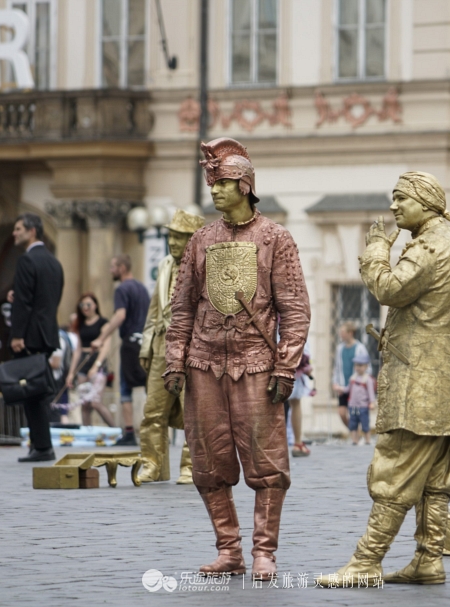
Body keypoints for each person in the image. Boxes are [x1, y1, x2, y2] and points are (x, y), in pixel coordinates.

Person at [320, 171, 450, 587]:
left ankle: (364, 561)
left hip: (419, 379)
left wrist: (374, 250)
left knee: (396, 470)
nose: (393, 207)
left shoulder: (428, 247)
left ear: (426, 204)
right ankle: (428, 560)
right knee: (436, 479)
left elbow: (388, 289)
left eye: (401, 199)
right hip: (448, 378)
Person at [164, 137, 311, 580]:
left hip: (257, 364)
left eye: (224, 183)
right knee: (208, 463)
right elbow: (183, 305)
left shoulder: (276, 238)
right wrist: (175, 357)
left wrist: (286, 365)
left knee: (267, 466)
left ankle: (264, 552)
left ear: (246, 185)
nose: (216, 191)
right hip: (204, 363)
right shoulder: (201, 240)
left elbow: (295, 309)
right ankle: (229, 549)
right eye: (213, 183)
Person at [137, 209, 204, 483]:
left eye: (179, 238)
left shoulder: (204, 268)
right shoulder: (165, 265)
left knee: (192, 411)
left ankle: (191, 466)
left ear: (192, 240)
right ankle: (151, 463)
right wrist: (145, 346)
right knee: (153, 410)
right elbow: (154, 310)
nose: (173, 243)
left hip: (191, 349)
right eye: (171, 237)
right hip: (161, 346)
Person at [9, 213, 64, 462]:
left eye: (18, 228)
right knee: (38, 391)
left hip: (29, 337)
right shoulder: (54, 263)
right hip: (47, 335)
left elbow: (25, 302)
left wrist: (17, 335)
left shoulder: (26, 260)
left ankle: (41, 446)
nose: (14, 233)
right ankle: (40, 444)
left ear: (32, 231)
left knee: (32, 393)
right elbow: (45, 300)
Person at [92, 254, 150, 446]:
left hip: (130, 344)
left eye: (113, 267)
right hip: (146, 342)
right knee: (149, 385)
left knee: (126, 388)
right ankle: (154, 430)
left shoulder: (122, 289)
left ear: (122, 268)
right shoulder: (142, 289)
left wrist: (102, 337)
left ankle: (129, 433)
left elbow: (120, 315)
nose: (110, 271)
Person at [66, 294, 116, 428]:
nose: (85, 308)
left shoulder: (103, 323)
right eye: (82, 305)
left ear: (95, 305)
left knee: (95, 402)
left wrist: (96, 365)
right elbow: (77, 350)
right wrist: (71, 373)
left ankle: (116, 430)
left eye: (88, 304)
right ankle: (87, 433)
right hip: (83, 361)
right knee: (85, 404)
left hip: (98, 362)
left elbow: (106, 346)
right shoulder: (80, 324)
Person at [332, 322, 368, 428]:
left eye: (343, 332)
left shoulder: (360, 348)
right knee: (342, 413)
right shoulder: (340, 348)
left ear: (350, 333)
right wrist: (335, 382)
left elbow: (367, 367)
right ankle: (352, 430)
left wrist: (362, 381)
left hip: (356, 387)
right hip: (343, 387)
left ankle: (357, 434)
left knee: (356, 413)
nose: (341, 334)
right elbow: (337, 367)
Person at [287, 341, 313, 457]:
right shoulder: (299, 323)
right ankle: (297, 442)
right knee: (295, 403)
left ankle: (296, 442)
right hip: (291, 363)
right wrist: (306, 365)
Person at [346, 353, 375, 446]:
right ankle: (355, 439)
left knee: (365, 423)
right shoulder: (352, 378)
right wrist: (341, 389)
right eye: (356, 365)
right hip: (353, 406)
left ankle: (368, 439)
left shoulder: (367, 379)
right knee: (353, 423)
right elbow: (348, 389)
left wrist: (372, 402)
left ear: (366, 366)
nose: (358, 367)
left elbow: (371, 392)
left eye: (360, 365)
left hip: (363, 406)